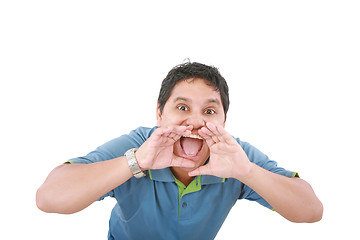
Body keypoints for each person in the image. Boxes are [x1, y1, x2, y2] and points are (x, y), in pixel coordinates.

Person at [36, 62, 323, 239]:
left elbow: (311, 211)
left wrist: (246, 172)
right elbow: (49, 198)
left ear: (223, 122)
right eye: (182, 107)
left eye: (210, 111)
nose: (196, 122)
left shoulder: (232, 154)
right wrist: (136, 162)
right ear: (159, 115)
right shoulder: (139, 145)